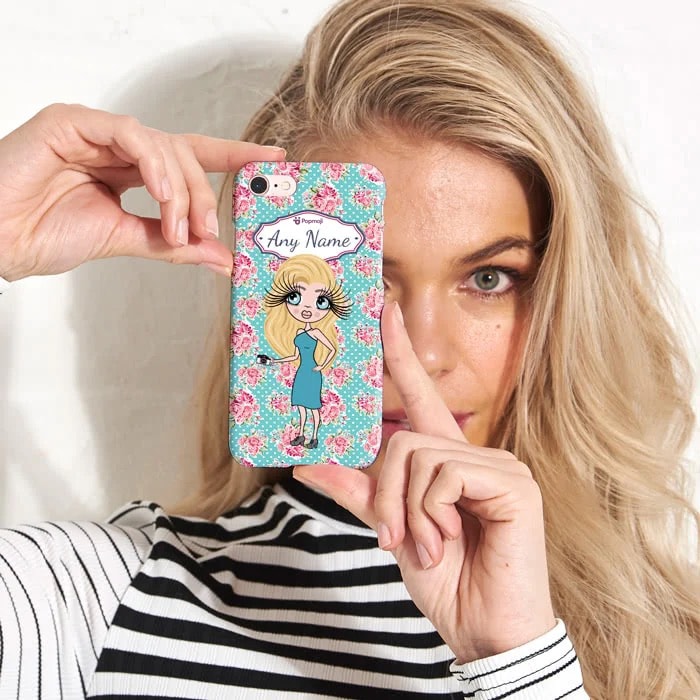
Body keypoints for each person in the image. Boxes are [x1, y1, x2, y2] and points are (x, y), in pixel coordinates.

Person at [0, 1, 698, 699]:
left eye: (489, 279)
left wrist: (516, 659)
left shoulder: (673, 646)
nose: (423, 355)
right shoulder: (87, 603)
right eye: (363, 281)